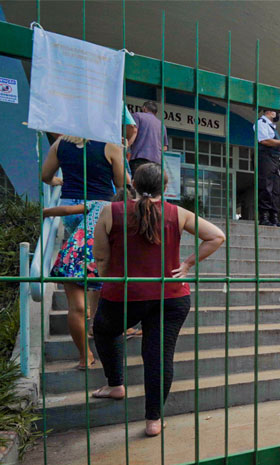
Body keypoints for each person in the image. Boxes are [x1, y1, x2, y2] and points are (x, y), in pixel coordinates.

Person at [90, 163, 226, 436]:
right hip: (171, 295)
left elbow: (101, 257)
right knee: (158, 356)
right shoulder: (179, 213)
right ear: (165, 188)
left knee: (104, 330)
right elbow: (217, 236)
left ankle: (116, 384)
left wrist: (109, 276)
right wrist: (186, 265)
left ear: (134, 186)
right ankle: (153, 421)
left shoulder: (110, 211)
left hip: (123, 294)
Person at [42, 198, 110, 369]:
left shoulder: (100, 203)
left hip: (78, 253)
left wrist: (46, 212)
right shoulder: (121, 210)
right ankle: (86, 353)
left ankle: (85, 352)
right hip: (88, 255)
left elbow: (67, 211)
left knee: (78, 307)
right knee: (83, 306)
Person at [254, 109, 280, 227]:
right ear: (269, 112)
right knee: (266, 186)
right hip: (266, 157)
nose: (277, 114)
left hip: (274, 159)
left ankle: (274, 217)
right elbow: (264, 141)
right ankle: (264, 216)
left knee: (275, 189)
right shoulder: (261, 123)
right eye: (275, 112)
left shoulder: (271, 126)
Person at [127, 100, 168, 174]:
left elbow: (134, 131)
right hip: (156, 162)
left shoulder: (138, 116)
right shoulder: (162, 125)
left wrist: (127, 145)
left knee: (138, 183)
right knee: (151, 184)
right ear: (155, 112)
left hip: (140, 158)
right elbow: (165, 147)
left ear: (144, 108)